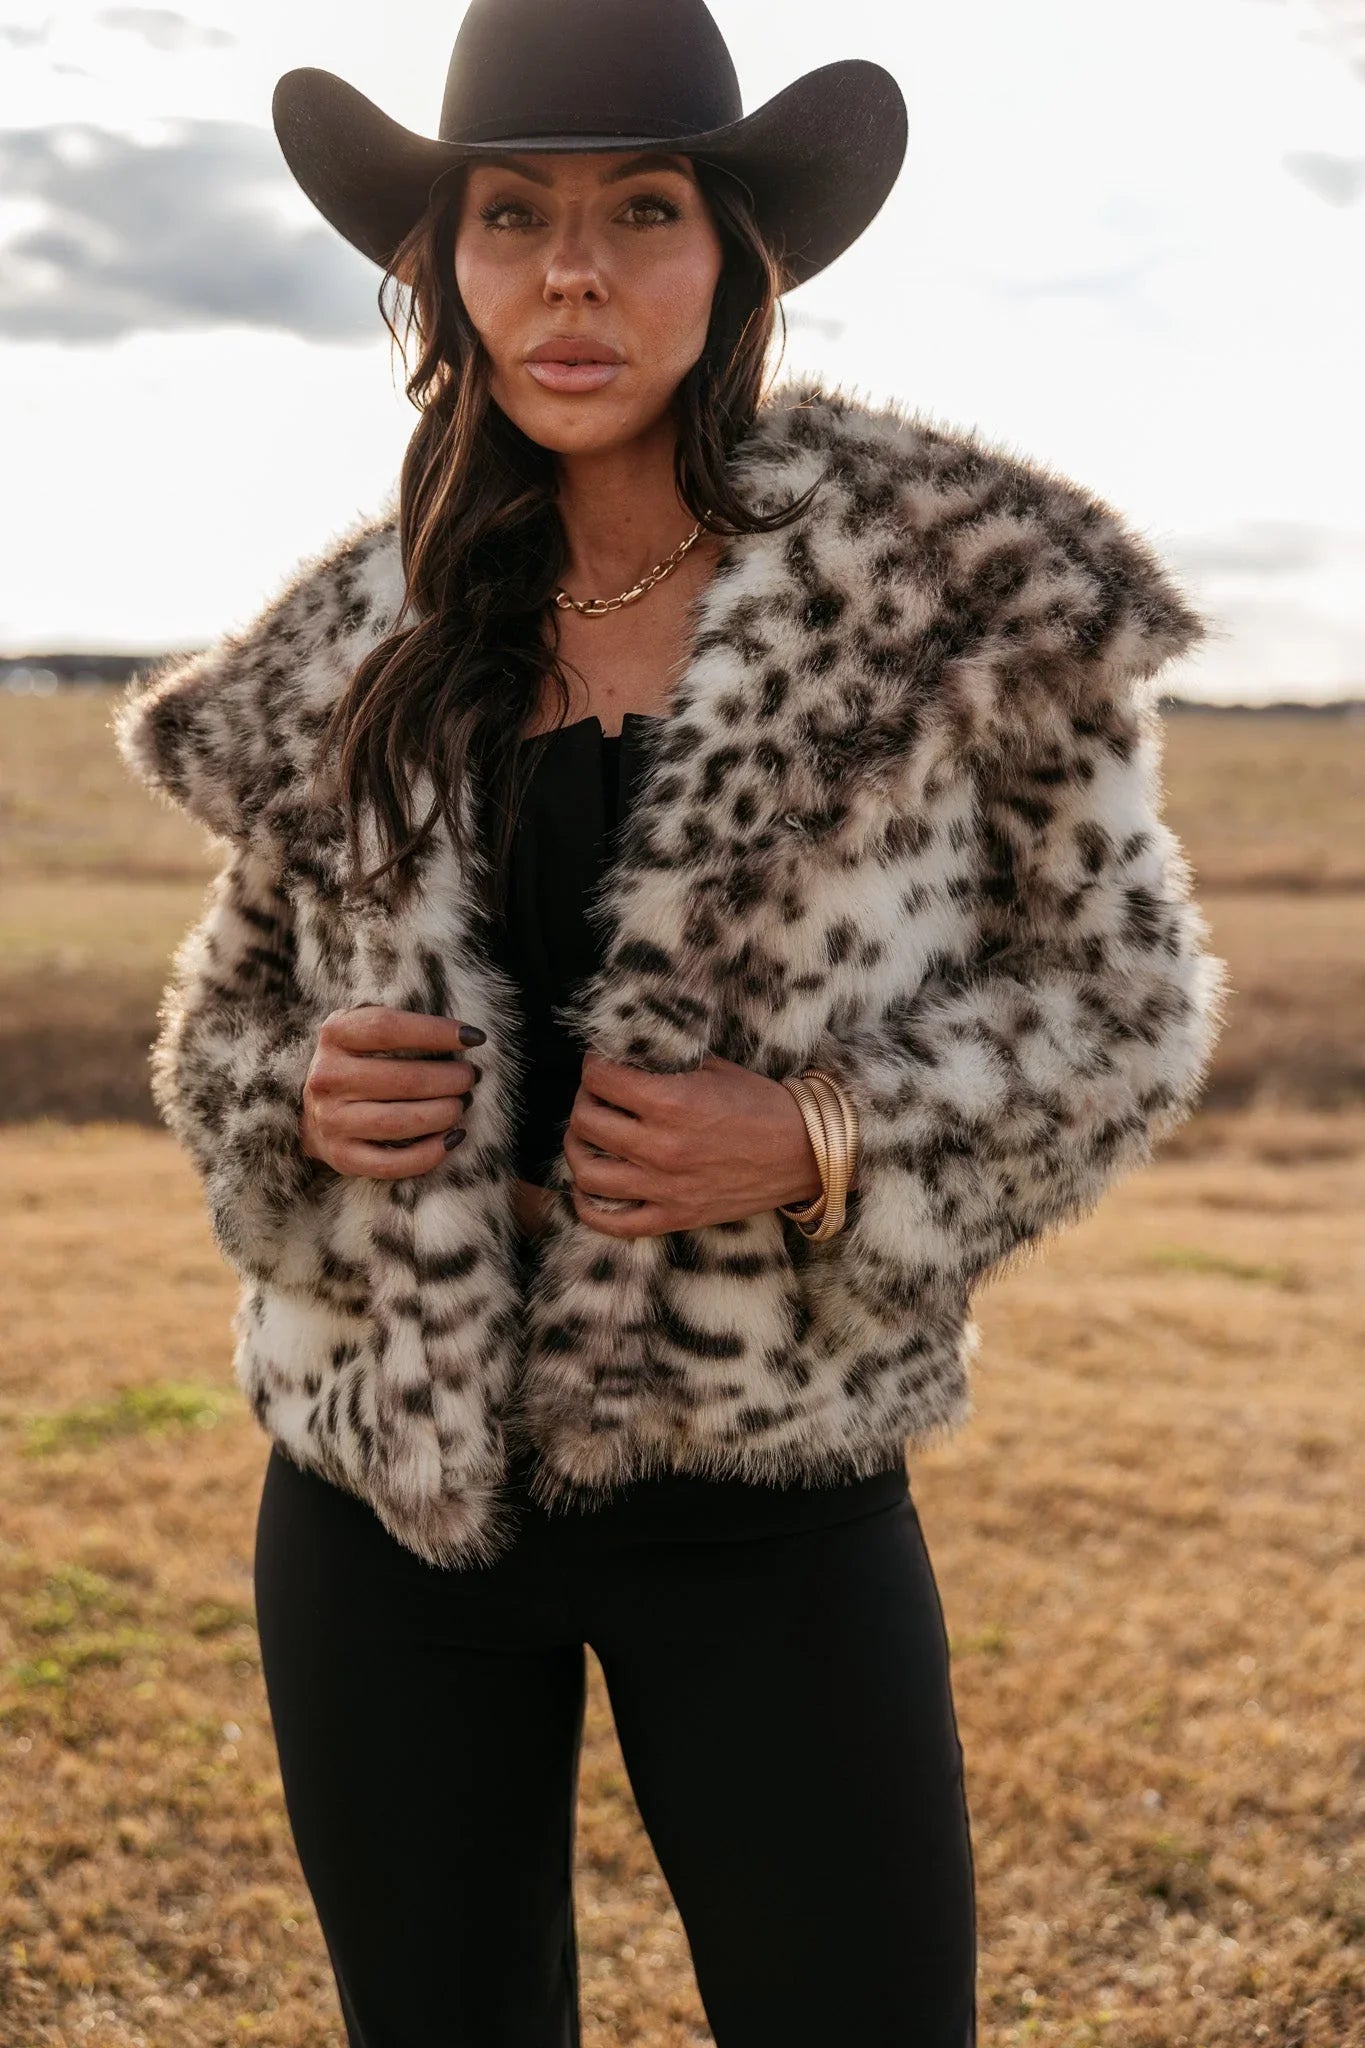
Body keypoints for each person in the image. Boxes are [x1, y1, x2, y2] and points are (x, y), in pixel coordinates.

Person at [115, 3, 1228, 2042]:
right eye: (509, 214)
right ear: (438, 266)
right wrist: (301, 1095)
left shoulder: (953, 600)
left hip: (767, 1488)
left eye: (640, 209)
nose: (570, 271)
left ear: (735, 256)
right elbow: (224, 1033)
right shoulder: (364, 639)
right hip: (384, 1489)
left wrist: (819, 1138)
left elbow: (1122, 1004)